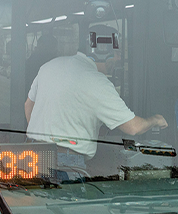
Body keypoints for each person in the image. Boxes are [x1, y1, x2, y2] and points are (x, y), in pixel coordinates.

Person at [25, 24, 167, 174]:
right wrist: (155, 120)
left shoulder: (49, 66)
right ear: (102, 51)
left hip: (32, 154)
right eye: (117, 53)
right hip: (65, 162)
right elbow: (133, 127)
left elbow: (28, 106)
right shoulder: (98, 82)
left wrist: (43, 137)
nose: (119, 58)